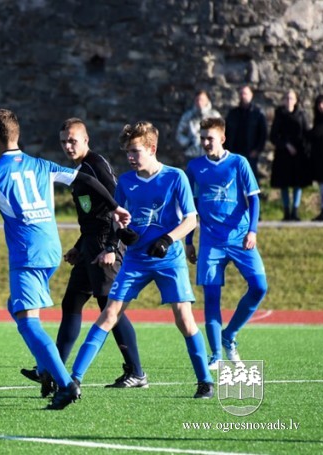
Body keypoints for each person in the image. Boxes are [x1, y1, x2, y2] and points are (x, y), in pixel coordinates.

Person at [0, 109, 130, 410]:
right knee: (15, 305)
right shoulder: (42, 165)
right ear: (17, 134)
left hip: (27, 253)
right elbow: (86, 179)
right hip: (51, 251)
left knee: (28, 322)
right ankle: (47, 366)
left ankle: (64, 384)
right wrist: (115, 206)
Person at [58, 121, 213, 410]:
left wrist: (167, 239)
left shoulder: (175, 177)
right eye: (128, 151)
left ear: (152, 149)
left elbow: (191, 219)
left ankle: (205, 381)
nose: (130, 156)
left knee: (184, 319)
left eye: (135, 151)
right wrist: (121, 234)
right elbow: (119, 218)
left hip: (169, 260)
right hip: (135, 259)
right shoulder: (127, 182)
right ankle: (74, 380)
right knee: (109, 314)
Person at [20, 118, 146, 394]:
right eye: (63, 141)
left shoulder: (95, 165)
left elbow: (118, 208)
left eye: (73, 140)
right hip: (90, 245)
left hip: (104, 246)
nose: (68, 146)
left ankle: (136, 371)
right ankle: (51, 370)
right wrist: (79, 245)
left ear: (86, 140)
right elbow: (92, 216)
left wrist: (111, 247)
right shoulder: (77, 171)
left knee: (109, 308)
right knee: (71, 303)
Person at [185, 117, 268, 371]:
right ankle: (216, 355)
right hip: (210, 243)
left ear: (222, 138)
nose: (205, 143)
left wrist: (252, 231)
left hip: (240, 237)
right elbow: (191, 207)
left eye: (210, 138)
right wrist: (189, 240)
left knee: (259, 287)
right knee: (211, 298)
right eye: (202, 138)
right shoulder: (194, 167)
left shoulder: (239, 163)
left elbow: (254, 199)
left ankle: (229, 334)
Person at [269, 89, 312, 221]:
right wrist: (285, 145)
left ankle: (295, 211)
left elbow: (306, 133)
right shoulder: (279, 115)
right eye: (286, 98)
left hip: (298, 154)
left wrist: (305, 149)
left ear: (296, 100)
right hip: (283, 154)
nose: (289, 101)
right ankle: (286, 212)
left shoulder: (301, 115)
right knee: (284, 183)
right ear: (283, 100)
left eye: (291, 98)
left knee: (298, 183)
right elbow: (273, 136)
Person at [224, 85, 268, 184]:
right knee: (233, 179)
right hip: (234, 152)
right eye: (241, 94)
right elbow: (226, 131)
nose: (243, 96)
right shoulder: (232, 113)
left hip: (250, 152)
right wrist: (226, 149)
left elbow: (263, 134)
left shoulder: (258, 113)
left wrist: (257, 150)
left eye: (245, 93)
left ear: (251, 95)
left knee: (250, 180)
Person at [176, 90, 221, 163]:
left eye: (202, 100)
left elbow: (221, 134)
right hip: (192, 154)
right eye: (197, 100)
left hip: (211, 155)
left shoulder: (215, 116)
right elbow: (179, 134)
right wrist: (188, 142)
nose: (199, 102)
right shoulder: (188, 116)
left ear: (207, 101)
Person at [308, 94, 323, 221]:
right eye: (319, 104)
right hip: (320, 156)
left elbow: (318, 132)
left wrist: (307, 133)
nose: (321, 106)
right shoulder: (318, 118)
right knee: (322, 184)